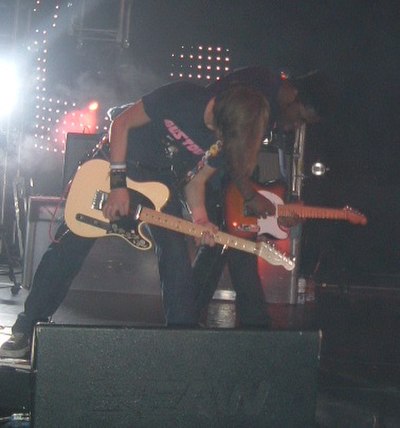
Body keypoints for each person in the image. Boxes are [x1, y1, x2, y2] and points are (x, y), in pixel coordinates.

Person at [0, 80, 273, 359]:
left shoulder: (224, 141)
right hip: (117, 166)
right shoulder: (183, 96)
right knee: (71, 243)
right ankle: (27, 327)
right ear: (224, 113)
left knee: (177, 256)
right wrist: (118, 185)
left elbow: (197, 181)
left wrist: (200, 219)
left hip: (160, 185)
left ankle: (180, 344)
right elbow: (120, 124)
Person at [192, 66, 338, 319]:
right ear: (293, 94)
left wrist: (284, 202)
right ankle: (195, 322)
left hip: (220, 179)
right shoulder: (256, 91)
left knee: (233, 255)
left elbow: (250, 161)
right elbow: (231, 150)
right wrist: (249, 196)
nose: (295, 126)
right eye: (300, 118)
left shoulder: (271, 103)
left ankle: (190, 320)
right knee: (229, 253)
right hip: (204, 172)